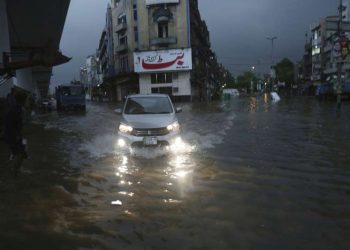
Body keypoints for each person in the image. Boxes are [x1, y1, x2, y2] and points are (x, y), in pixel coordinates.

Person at [4, 92, 28, 177]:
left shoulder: (17, 109)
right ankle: (14, 172)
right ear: (24, 100)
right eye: (27, 100)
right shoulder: (16, 110)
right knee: (20, 154)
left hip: (18, 136)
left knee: (23, 152)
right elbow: (12, 125)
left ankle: (16, 169)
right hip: (14, 136)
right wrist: (17, 136)